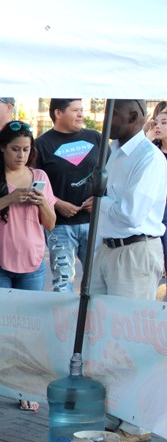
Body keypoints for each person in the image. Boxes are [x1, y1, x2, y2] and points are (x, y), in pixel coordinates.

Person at [0, 121, 56, 412]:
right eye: (15, 149)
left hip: (32, 263)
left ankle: (23, 387)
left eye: (26, 149)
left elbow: (51, 223)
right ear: (2, 147)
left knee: (27, 330)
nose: (21, 155)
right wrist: (9, 198)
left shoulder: (39, 175)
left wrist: (42, 202)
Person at [93, 99, 167, 300]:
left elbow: (132, 215)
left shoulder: (150, 158)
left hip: (134, 254)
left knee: (127, 328)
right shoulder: (114, 150)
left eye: (113, 114)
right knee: (97, 324)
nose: (105, 120)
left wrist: (100, 202)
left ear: (133, 117)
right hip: (107, 249)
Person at [35, 98, 101, 292]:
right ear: (58, 113)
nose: (81, 114)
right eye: (75, 110)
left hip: (93, 223)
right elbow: (34, 183)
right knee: (63, 281)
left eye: (82, 110)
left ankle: (92, 320)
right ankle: (64, 322)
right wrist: (56, 203)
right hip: (60, 226)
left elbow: (110, 173)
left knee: (97, 278)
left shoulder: (95, 138)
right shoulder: (41, 144)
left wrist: (99, 199)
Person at [150, 108, 167, 271]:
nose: (158, 126)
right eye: (156, 123)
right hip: (155, 211)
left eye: (164, 123)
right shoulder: (151, 150)